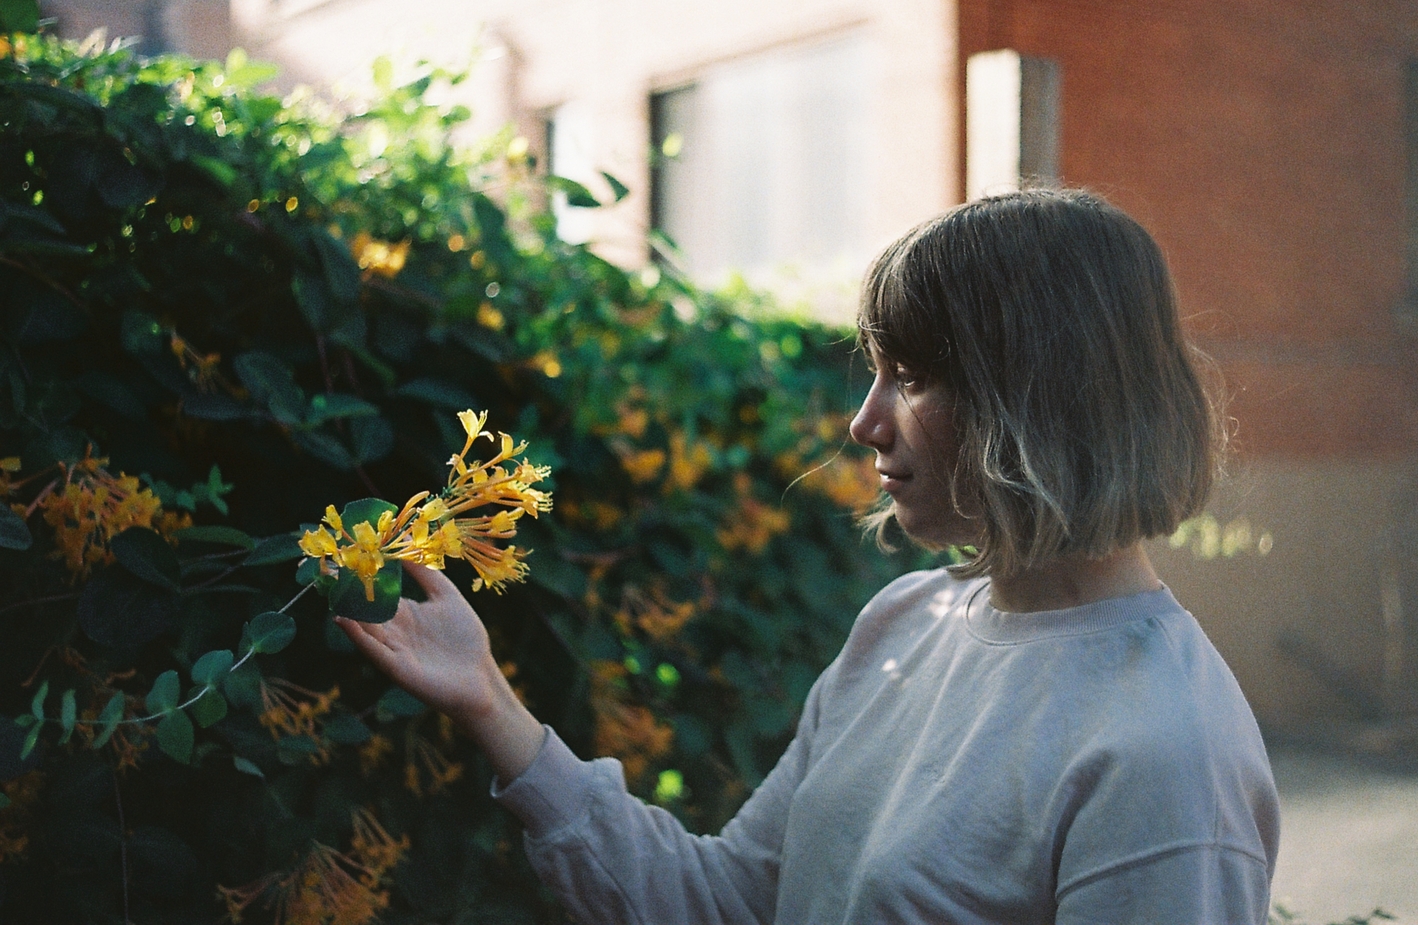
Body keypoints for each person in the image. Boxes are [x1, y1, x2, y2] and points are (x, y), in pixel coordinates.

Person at [337, 189, 1281, 925]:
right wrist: (485, 695)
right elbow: (727, 901)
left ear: (1039, 396)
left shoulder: (1165, 754)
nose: (863, 421)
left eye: (910, 376)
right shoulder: (906, 623)